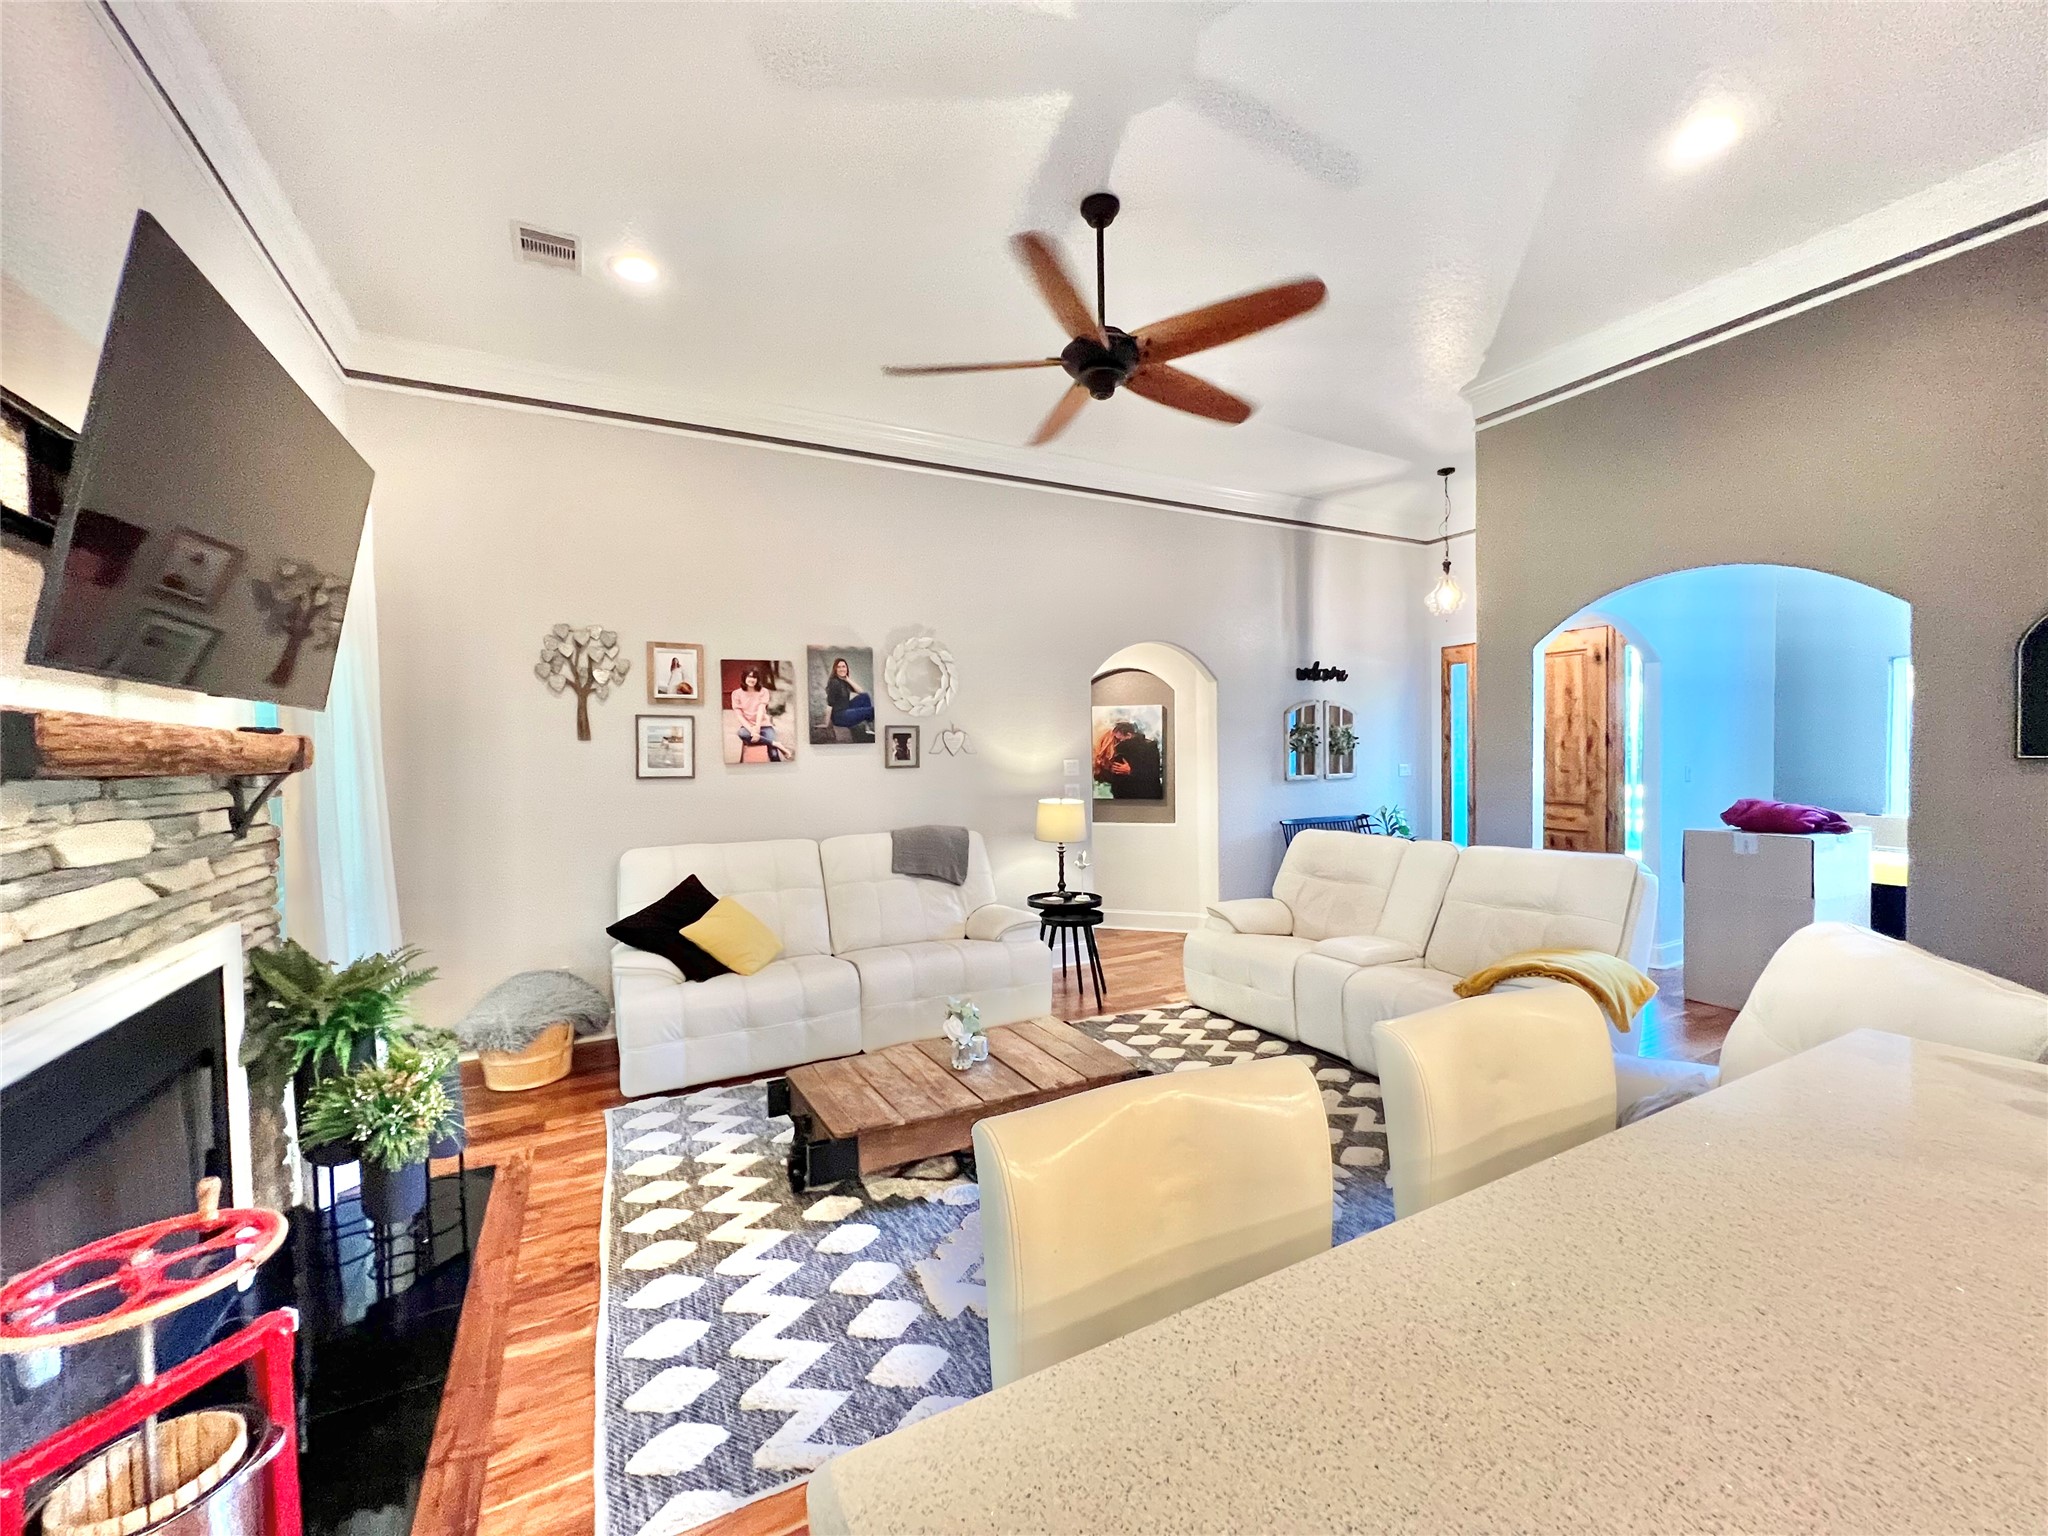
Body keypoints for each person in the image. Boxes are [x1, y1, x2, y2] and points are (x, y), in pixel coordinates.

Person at [1095, 717, 1164, 799]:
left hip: (1145, 795)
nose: (1118, 743)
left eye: (1119, 739)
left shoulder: (1149, 747)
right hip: (1126, 796)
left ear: (1128, 735)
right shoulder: (1122, 750)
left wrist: (1131, 771)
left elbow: (1153, 773)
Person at [731, 664, 782, 761]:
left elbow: (761, 710)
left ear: (758, 679)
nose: (752, 679)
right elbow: (740, 715)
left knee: (774, 753)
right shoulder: (736, 694)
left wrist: (757, 728)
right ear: (744, 677)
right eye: (749, 676)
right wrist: (752, 730)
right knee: (741, 733)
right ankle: (774, 743)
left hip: (764, 725)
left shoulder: (764, 692)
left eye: (755, 677)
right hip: (748, 727)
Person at [825, 655, 875, 741]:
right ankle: (869, 724)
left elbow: (861, 692)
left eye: (843, 667)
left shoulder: (843, 680)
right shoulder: (834, 683)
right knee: (871, 710)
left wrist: (847, 679)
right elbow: (830, 704)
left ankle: (868, 726)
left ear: (847, 668)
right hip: (839, 717)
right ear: (835, 669)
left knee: (865, 696)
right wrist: (826, 723)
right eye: (839, 667)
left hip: (846, 708)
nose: (841, 669)